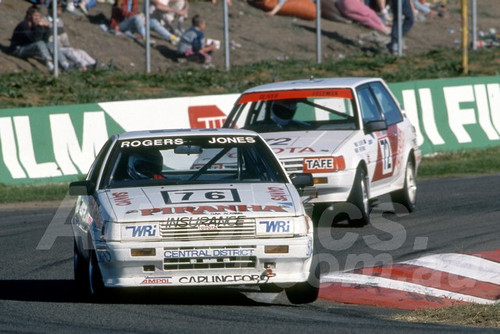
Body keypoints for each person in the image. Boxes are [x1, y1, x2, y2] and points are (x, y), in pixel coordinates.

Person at [9, 5, 72, 73]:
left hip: (28, 48)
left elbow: (45, 40)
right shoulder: (24, 25)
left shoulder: (35, 25)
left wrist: (46, 28)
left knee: (51, 44)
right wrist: (39, 27)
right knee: (40, 43)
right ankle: (50, 66)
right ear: (29, 16)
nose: (37, 18)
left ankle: (65, 64)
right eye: (35, 16)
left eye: (38, 16)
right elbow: (33, 39)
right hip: (17, 49)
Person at [48, 2, 97, 71]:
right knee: (70, 51)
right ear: (51, 9)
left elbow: (63, 37)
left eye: (60, 7)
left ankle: (94, 64)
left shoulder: (60, 21)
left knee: (81, 52)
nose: (60, 9)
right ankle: (84, 65)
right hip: (53, 48)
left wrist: (68, 45)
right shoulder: (46, 21)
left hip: (62, 47)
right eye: (58, 7)